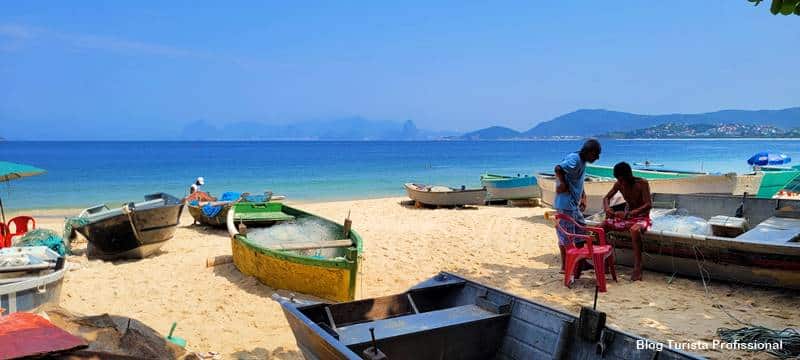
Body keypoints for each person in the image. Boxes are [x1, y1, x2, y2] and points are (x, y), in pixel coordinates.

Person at [553, 139, 601, 273]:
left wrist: (583, 196)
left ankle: (581, 262)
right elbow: (558, 168)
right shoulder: (575, 159)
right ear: (589, 152)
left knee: (581, 231)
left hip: (573, 204)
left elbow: (577, 180)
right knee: (566, 236)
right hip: (565, 205)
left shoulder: (582, 161)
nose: (597, 158)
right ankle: (565, 266)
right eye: (596, 154)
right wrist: (562, 184)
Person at [601, 162, 652, 281]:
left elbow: (648, 204)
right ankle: (605, 261)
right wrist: (607, 209)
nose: (620, 182)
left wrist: (631, 214)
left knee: (634, 230)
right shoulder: (619, 184)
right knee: (601, 226)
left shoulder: (642, 183)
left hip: (642, 218)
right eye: (618, 179)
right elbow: (606, 198)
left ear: (628, 175)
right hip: (627, 217)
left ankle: (638, 267)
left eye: (622, 179)